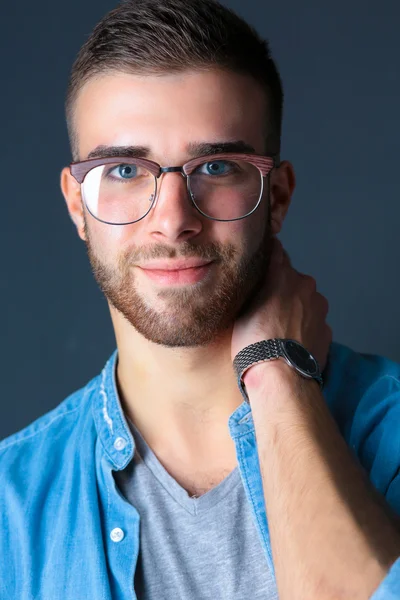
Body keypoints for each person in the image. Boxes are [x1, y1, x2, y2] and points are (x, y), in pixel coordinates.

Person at [1, 0, 400, 598]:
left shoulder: (391, 434)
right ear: (75, 204)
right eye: (123, 171)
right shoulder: (12, 514)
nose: (172, 221)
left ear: (279, 196)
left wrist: (277, 375)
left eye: (215, 165)